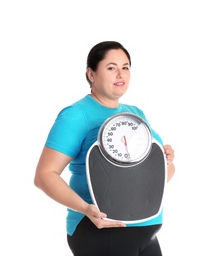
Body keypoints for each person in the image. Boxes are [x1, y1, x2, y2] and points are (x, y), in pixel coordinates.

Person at [34, 41, 175, 256]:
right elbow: (44, 175)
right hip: (101, 231)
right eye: (111, 68)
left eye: (125, 67)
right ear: (91, 74)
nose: (121, 74)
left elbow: (156, 177)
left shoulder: (136, 113)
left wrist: (165, 161)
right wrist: (85, 209)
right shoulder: (76, 115)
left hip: (147, 229)